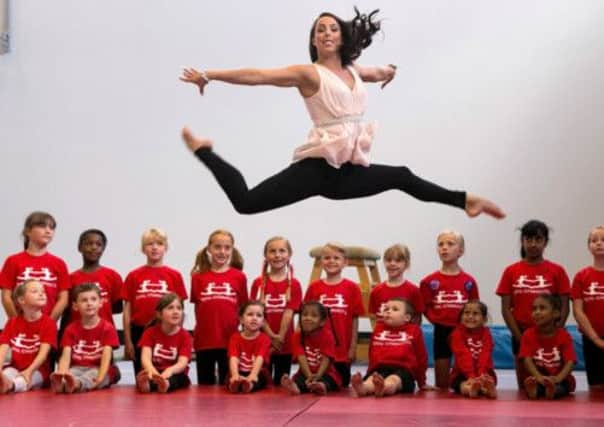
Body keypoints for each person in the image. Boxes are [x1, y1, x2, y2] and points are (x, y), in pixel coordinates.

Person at [179, 8, 505, 219]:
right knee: (245, 203)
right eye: (319, 30)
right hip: (318, 168)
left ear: (341, 36)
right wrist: (211, 74)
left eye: (332, 28)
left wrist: (391, 70)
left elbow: (376, 72)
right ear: (314, 40)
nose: (326, 33)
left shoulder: (353, 70)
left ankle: (465, 201)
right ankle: (205, 151)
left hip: (348, 170)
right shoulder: (308, 73)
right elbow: (258, 76)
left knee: (401, 176)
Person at [496, 220, 571, 389]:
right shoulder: (511, 271)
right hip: (521, 332)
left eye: (538, 239)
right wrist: (520, 337)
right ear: (522, 241)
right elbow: (505, 308)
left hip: (550, 334)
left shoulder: (557, 271)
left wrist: (556, 331)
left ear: (545, 242)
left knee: (551, 383)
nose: (533, 244)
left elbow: (565, 306)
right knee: (526, 386)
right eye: (528, 240)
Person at [122, 228, 188, 374]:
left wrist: (178, 335)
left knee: (165, 375)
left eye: (159, 243)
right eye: (149, 244)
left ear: (165, 248)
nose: (154, 247)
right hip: (139, 331)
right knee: (144, 376)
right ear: (143, 249)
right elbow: (127, 311)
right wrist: (127, 341)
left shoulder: (174, 275)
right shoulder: (134, 276)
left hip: (166, 332)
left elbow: (181, 309)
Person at [420, 229, 479, 390]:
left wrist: (469, 324)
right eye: (441, 244)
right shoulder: (429, 281)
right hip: (441, 331)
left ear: (460, 251)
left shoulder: (469, 281)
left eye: (450, 244)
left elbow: (475, 306)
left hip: (464, 331)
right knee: (442, 383)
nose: (444, 248)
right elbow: (424, 306)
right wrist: (437, 320)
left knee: (466, 373)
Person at [190, 229, 248, 385]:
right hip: (204, 341)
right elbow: (198, 308)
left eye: (227, 247)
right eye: (217, 247)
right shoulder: (198, 277)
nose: (222, 251)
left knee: (227, 385)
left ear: (232, 249)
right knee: (205, 386)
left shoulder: (239, 277)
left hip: (230, 341)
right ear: (209, 248)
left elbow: (243, 309)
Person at [303, 242, 365, 387]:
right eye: (327, 258)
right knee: (316, 378)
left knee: (341, 384)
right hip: (319, 350)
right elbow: (305, 318)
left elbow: (355, 319)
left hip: (342, 349)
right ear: (321, 261)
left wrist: (353, 347)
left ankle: (324, 385)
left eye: (336, 258)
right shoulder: (314, 287)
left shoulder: (352, 288)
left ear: (345, 263)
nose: (331, 261)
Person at [250, 236, 302, 383]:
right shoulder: (258, 283)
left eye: (282, 251)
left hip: (284, 344)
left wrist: (279, 337)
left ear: (289, 254)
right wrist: (271, 336)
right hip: (262, 342)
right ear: (265, 255)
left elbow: (289, 312)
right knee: (263, 381)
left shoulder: (294, 284)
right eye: (272, 251)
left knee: (281, 383)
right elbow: (256, 312)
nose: (277, 255)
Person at [50, 283, 120, 393]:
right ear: (75, 306)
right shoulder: (70, 329)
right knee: (71, 373)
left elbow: (106, 356)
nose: (89, 303)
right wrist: (62, 373)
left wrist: (100, 379)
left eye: (93, 299)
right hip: (77, 367)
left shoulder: (107, 328)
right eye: (84, 300)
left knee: (93, 375)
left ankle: (77, 384)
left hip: (97, 368)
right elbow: (65, 356)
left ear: (101, 303)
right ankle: (64, 383)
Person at [351, 298, 427, 397]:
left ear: (407, 317)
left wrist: (422, 382)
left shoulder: (414, 330)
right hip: (380, 367)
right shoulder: (378, 328)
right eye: (386, 309)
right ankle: (363, 388)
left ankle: (384, 387)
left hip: (403, 369)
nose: (388, 311)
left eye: (395, 309)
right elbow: (372, 352)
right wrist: (370, 371)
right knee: (371, 380)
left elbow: (421, 357)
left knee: (393, 380)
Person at [0, 211, 70, 321]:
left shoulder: (59, 263)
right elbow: (6, 297)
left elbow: (63, 299)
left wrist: (49, 323)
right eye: (42, 226)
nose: (48, 231)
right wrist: (16, 322)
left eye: (51, 228)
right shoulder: (13, 261)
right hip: (18, 327)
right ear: (28, 231)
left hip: (47, 327)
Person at [0, 279, 57, 393]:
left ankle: (11, 386)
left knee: (24, 380)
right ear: (21, 300)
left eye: (43, 291)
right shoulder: (12, 322)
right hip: (15, 367)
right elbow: (3, 348)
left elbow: (43, 354)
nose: (41, 294)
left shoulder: (49, 323)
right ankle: (6, 383)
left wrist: (29, 371)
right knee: (7, 374)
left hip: (38, 370)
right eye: (35, 291)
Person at [519, 294, 576, 400]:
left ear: (555, 313)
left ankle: (552, 391)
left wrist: (558, 378)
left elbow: (570, 361)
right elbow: (527, 360)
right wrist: (538, 377)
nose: (537, 312)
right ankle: (534, 391)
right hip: (538, 377)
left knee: (562, 387)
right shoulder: (528, 334)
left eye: (542, 308)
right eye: (534, 309)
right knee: (534, 384)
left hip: (560, 379)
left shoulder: (564, 335)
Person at [136, 293, 192, 393]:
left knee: (180, 379)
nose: (176, 312)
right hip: (155, 370)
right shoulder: (149, 332)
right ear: (159, 314)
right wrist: (153, 373)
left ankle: (165, 384)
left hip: (174, 372)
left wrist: (170, 370)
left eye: (179, 308)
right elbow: (145, 358)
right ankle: (147, 385)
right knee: (146, 374)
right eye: (170, 308)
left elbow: (182, 363)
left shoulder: (185, 336)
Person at [281, 301, 341, 395]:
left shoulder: (328, 335)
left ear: (322, 322)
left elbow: (327, 359)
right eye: (304, 315)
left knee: (329, 380)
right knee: (299, 379)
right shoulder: (297, 336)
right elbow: (301, 357)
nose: (308, 318)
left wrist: (318, 376)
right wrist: (309, 376)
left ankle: (321, 386)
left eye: (314, 316)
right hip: (305, 373)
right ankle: (296, 387)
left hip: (325, 372)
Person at [571, 226, 604, 389]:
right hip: (591, 338)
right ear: (589, 246)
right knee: (597, 387)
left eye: (603, 240)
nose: (599, 244)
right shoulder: (581, 276)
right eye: (594, 240)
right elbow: (578, 310)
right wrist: (595, 338)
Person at [67, 229, 123, 326]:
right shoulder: (71, 278)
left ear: (103, 249)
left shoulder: (113, 276)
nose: (94, 247)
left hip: (105, 334)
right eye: (89, 243)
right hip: (77, 335)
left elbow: (117, 308)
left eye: (98, 244)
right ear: (80, 247)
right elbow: (67, 312)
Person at [448, 300, 497, 398]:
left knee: (489, 379)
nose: (470, 316)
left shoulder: (486, 334)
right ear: (461, 317)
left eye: (475, 314)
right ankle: (470, 389)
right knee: (461, 383)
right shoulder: (457, 334)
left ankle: (488, 390)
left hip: (484, 372)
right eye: (466, 313)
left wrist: (481, 375)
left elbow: (485, 355)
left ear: (484, 319)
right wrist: (471, 377)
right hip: (462, 373)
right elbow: (462, 355)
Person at [368, 244, 423, 325]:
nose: (392, 263)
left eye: (398, 260)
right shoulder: (376, 291)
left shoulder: (413, 290)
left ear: (406, 264)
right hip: (384, 335)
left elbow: (418, 318)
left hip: (405, 336)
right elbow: (374, 316)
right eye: (389, 260)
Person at [227, 301, 272, 393]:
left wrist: (253, 375)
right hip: (240, 371)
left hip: (258, 371)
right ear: (241, 319)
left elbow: (260, 358)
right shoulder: (235, 338)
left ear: (263, 321)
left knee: (260, 379)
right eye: (250, 314)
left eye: (259, 315)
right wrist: (235, 375)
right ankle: (235, 385)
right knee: (228, 377)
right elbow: (233, 358)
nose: (254, 318)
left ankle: (249, 386)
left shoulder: (264, 339)